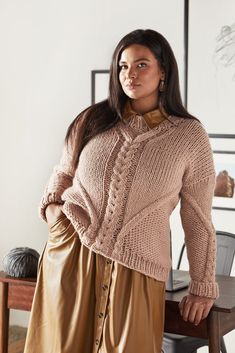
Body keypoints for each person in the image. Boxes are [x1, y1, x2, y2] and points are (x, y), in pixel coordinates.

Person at [24, 29, 219, 353]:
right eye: (123, 66)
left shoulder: (189, 137)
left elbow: (197, 219)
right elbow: (62, 172)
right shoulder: (92, 120)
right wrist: (54, 214)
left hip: (139, 273)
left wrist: (202, 285)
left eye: (142, 64)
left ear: (163, 73)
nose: (130, 74)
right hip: (72, 258)